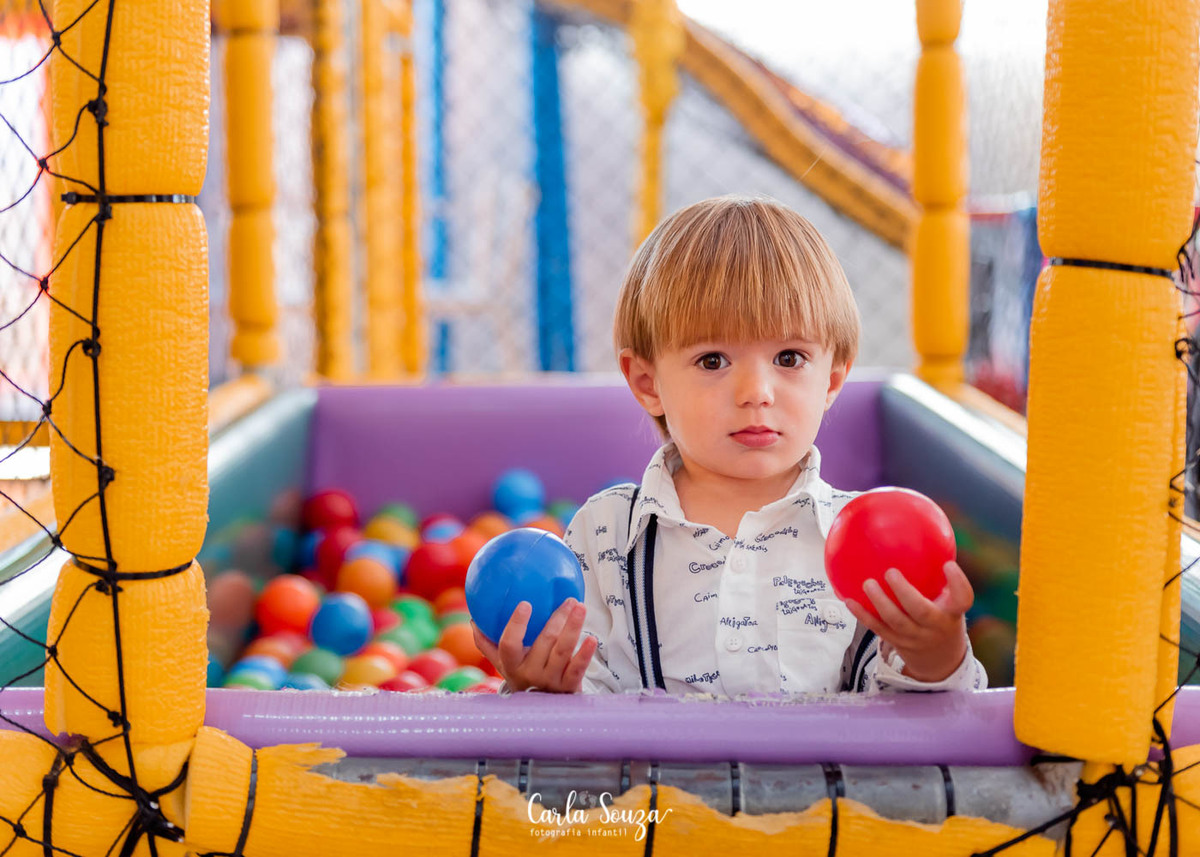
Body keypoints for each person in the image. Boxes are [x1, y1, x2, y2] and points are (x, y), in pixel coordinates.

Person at [471, 194, 987, 696]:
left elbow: (910, 721)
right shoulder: (606, 534)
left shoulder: (864, 541)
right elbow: (587, 698)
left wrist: (934, 658)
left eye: (789, 358)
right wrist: (546, 686)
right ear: (648, 383)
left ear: (831, 379)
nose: (756, 393)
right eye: (713, 361)